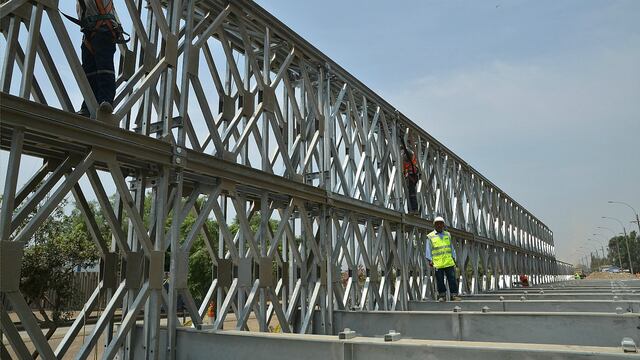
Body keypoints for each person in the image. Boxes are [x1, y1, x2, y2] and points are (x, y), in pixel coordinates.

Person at [75, 0, 123, 118]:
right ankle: (88, 104)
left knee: (104, 67)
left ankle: (105, 99)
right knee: (89, 70)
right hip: (90, 30)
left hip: (103, 27)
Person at [426, 216, 461, 301]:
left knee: (452, 279)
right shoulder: (430, 236)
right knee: (440, 280)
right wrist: (430, 259)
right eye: (437, 224)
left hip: (448, 261)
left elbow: (451, 247)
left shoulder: (447, 234)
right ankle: (442, 295)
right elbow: (428, 249)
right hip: (438, 263)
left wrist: (454, 257)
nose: (439, 225)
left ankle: (454, 295)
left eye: (441, 224)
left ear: (443, 225)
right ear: (434, 225)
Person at [401, 135, 420, 215]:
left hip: (412, 177)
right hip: (410, 177)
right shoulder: (409, 158)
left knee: (411, 194)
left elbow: (408, 154)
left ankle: (414, 210)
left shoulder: (410, 156)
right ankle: (411, 210)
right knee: (410, 194)